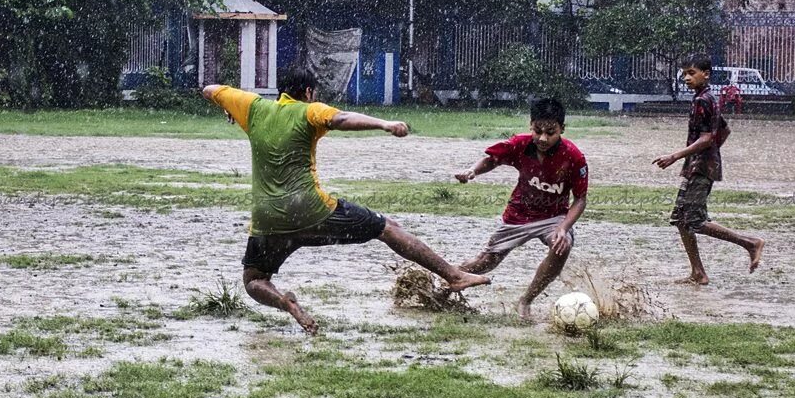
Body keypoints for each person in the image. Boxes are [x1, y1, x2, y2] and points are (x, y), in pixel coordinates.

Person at [201, 67, 489, 334]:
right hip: (312, 212)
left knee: (253, 280)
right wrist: (384, 124)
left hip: (267, 221)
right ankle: (453, 275)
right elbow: (339, 119)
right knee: (387, 227)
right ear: (308, 92)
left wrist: (229, 108)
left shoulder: (253, 107)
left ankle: (287, 303)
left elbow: (210, 89)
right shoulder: (309, 110)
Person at [454, 98, 588, 321]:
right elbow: (492, 160)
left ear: (562, 129)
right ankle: (444, 276)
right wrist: (472, 172)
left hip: (553, 217)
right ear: (531, 125)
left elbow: (580, 199)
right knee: (485, 263)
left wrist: (564, 228)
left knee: (561, 246)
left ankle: (526, 301)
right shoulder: (520, 144)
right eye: (538, 131)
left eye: (551, 132)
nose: (543, 138)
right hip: (518, 215)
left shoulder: (574, 157)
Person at [653, 53, 765, 285]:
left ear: (706, 74)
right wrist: (710, 153)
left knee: (694, 220)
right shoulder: (708, 98)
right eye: (684, 74)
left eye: (691, 73)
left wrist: (676, 156)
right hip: (699, 165)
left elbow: (706, 138)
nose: (686, 78)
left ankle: (750, 243)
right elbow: (723, 130)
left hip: (700, 168)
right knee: (681, 219)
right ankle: (698, 273)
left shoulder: (703, 100)